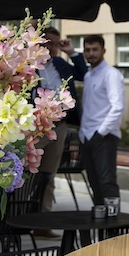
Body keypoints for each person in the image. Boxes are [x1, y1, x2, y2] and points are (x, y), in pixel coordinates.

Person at [37, 27, 87, 216]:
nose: (52, 48)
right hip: (35, 128)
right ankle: (19, 220)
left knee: (48, 175)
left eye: (55, 44)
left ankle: (43, 219)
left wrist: (72, 53)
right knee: (26, 174)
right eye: (48, 43)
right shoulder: (29, 65)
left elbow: (84, 74)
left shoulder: (60, 63)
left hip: (59, 126)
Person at [78, 34, 125, 206]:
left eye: (95, 49)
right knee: (95, 185)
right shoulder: (88, 76)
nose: (91, 53)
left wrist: (100, 133)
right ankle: (101, 227)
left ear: (103, 50)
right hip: (87, 136)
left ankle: (114, 227)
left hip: (104, 137)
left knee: (107, 184)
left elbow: (118, 106)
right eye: (88, 50)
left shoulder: (111, 74)